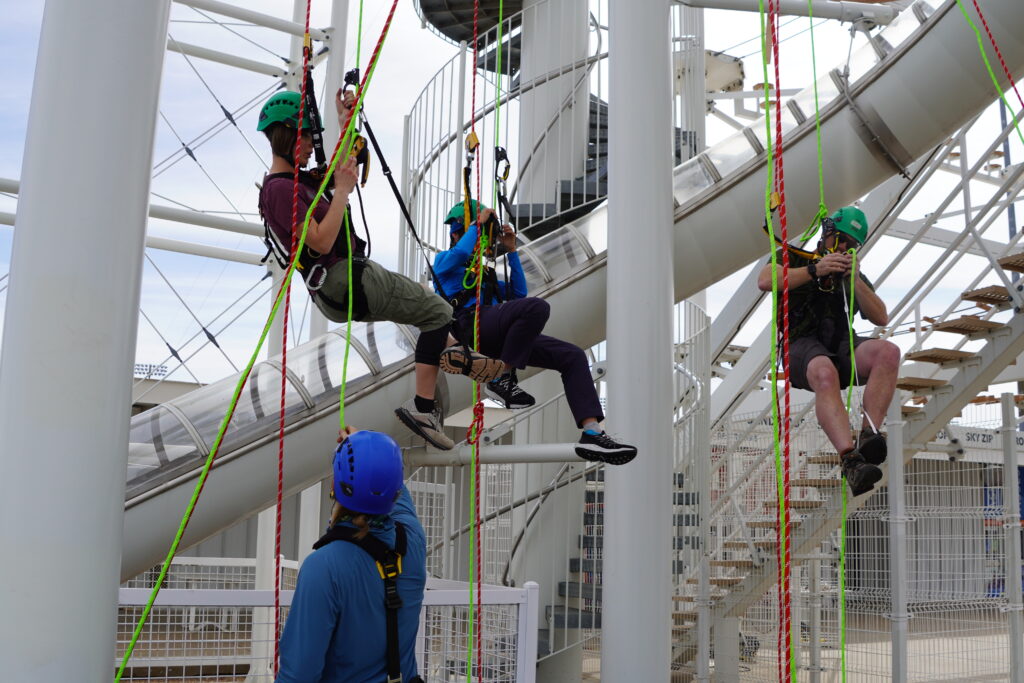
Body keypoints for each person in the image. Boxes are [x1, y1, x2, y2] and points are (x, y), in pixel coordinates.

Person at [256, 89, 501, 451]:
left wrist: (345, 121)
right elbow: (321, 240)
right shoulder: (279, 191)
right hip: (343, 276)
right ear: (288, 134)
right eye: (306, 135)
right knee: (436, 310)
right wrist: (341, 191)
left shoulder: (299, 183)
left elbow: (339, 169)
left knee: (429, 314)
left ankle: (460, 353)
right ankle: (425, 407)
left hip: (338, 286)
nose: (310, 144)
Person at [433, 200, 638, 466]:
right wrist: (477, 226)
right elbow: (459, 255)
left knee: (572, 356)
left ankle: (592, 432)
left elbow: (518, 293)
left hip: (494, 333)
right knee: (536, 308)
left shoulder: (485, 272)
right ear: (458, 233)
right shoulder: (444, 262)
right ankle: (502, 376)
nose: (481, 243)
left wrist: (512, 251)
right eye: (476, 236)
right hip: (469, 326)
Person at [757, 206, 900, 496]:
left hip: (840, 344)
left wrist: (855, 280)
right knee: (824, 371)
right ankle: (849, 460)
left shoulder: (852, 274)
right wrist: (815, 270)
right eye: (843, 239)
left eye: (853, 244)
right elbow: (765, 280)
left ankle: (869, 434)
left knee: (889, 352)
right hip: (801, 346)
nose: (846, 247)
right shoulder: (794, 258)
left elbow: (881, 317)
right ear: (829, 234)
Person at [277, 428, 426, 683]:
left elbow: (299, 673)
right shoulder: (411, 539)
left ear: (335, 483)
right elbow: (393, 492)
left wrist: (357, 450)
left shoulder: (323, 567)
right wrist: (370, 451)